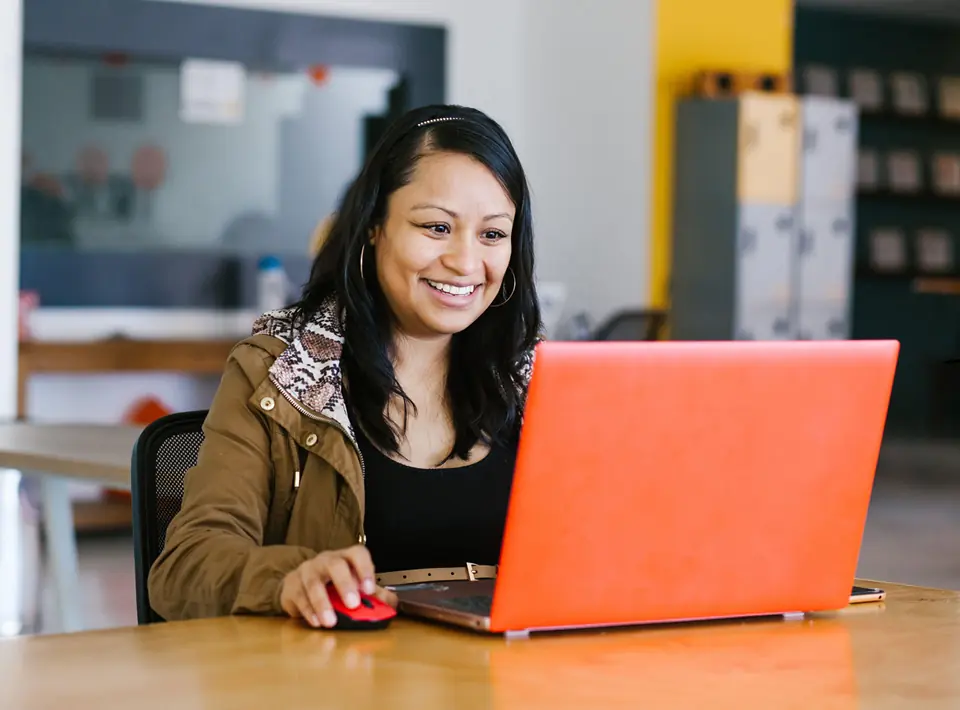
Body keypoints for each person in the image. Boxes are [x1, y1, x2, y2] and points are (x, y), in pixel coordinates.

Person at [148, 104, 542, 628]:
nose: (467, 263)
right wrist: (291, 578)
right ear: (374, 226)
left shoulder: (534, 379)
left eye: (493, 235)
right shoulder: (280, 368)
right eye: (436, 227)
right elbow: (185, 567)